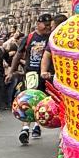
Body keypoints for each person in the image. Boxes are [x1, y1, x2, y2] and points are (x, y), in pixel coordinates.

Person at [7, 13, 53, 144]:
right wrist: (11, 71)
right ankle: (25, 128)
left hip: (46, 74)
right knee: (28, 100)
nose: (48, 27)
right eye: (45, 24)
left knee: (44, 100)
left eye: (50, 25)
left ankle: (38, 125)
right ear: (38, 24)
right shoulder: (30, 37)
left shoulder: (52, 38)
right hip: (31, 74)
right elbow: (18, 55)